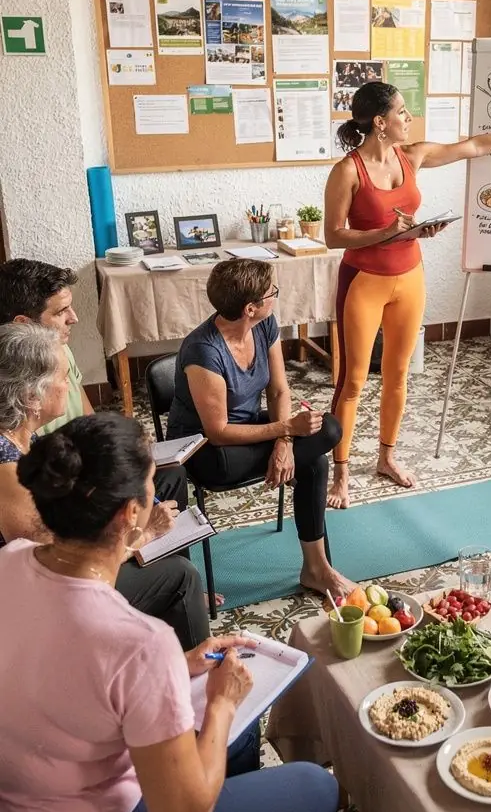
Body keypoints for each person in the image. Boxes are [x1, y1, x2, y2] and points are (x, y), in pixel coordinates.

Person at [0, 414, 345, 812]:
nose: (160, 501)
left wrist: (181, 676)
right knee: (313, 792)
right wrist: (217, 701)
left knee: (238, 733)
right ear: (129, 517)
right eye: (154, 489)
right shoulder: (136, 642)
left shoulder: (14, 561)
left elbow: (60, 678)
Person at [323, 80, 491, 509]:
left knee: (399, 374)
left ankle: (386, 458)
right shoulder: (347, 171)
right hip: (363, 282)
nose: (408, 117)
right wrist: (384, 232)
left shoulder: (411, 155)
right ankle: (340, 473)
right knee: (354, 380)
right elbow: (333, 235)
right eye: (401, 112)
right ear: (380, 122)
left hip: (410, 276)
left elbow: (472, 146)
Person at [0, 322, 209, 650]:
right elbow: (64, 564)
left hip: (65, 561)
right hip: (51, 597)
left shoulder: (21, 436)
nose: (69, 383)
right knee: (181, 577)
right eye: (63, 376)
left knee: (167, 478)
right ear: (31, 395)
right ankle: (194, 671)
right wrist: (144, 535)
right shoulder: (6, 471)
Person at [166, 258, 351, 599]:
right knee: (314, 459)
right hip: (207, 450)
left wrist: (285, 441)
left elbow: (279, 390)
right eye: (271, 293)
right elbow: (218, 431)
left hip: (253, 430)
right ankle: (316, 568)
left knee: (328, 431)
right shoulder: (203, 351)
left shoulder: (264, 326)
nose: (274, 297)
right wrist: (285, 428)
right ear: (250, 308)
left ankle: (316, 569)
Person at [0, 257, 190, 517]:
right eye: (60, 311)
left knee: (170, 475)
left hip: (83, 467)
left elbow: (89, 420)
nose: (74, 318)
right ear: (22, 324)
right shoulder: (14, 389)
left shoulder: (61, 351)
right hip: (66, 489)